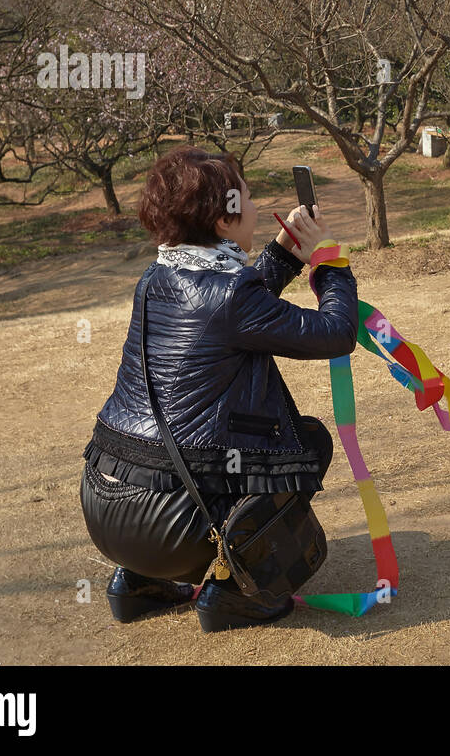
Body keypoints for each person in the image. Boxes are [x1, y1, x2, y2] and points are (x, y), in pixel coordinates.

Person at [79, 145, 358, 630]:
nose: (254, 208)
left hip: (106, 503)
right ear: (223, 220)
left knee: (193, 451)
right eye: (247, 199)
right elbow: (335, 334)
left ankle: (140, 582)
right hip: (173, 525)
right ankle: (233, 595)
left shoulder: (157, 275)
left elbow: (232, 309)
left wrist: (285, 253)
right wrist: (330, 263)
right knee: (308, 444)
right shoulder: (230, 293)